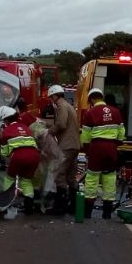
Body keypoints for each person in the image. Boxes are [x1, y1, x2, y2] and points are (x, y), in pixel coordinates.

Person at [80, 87, 124, 219]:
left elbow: (86, 136)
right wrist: (116, 144)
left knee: (92, 178)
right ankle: (107, 213)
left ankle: (87, 212)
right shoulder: (116, 112)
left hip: (97, 147)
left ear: (92, 99)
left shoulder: (90, 113)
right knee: (110, 178)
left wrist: (87, 151)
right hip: (111, 147)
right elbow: (121, 133)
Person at [0, 106, 42, 215]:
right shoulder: (25, 127)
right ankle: (29, 208)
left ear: (6, 119)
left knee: (9, 179)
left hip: (19, 156)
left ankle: (5, 204)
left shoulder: (6, 131)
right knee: (26, 181)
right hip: (35, 156)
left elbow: (5, 153)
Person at [46, 84, 80, 215]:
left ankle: (59, 207)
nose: (51, 99)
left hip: (66, 145)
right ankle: (74, 206)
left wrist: (50, 131)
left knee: (59, 174)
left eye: (51, 97)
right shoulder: (69, 106)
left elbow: (61, 123)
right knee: (71, 177)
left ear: (55, 96)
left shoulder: (61, 106)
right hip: (75, 145)